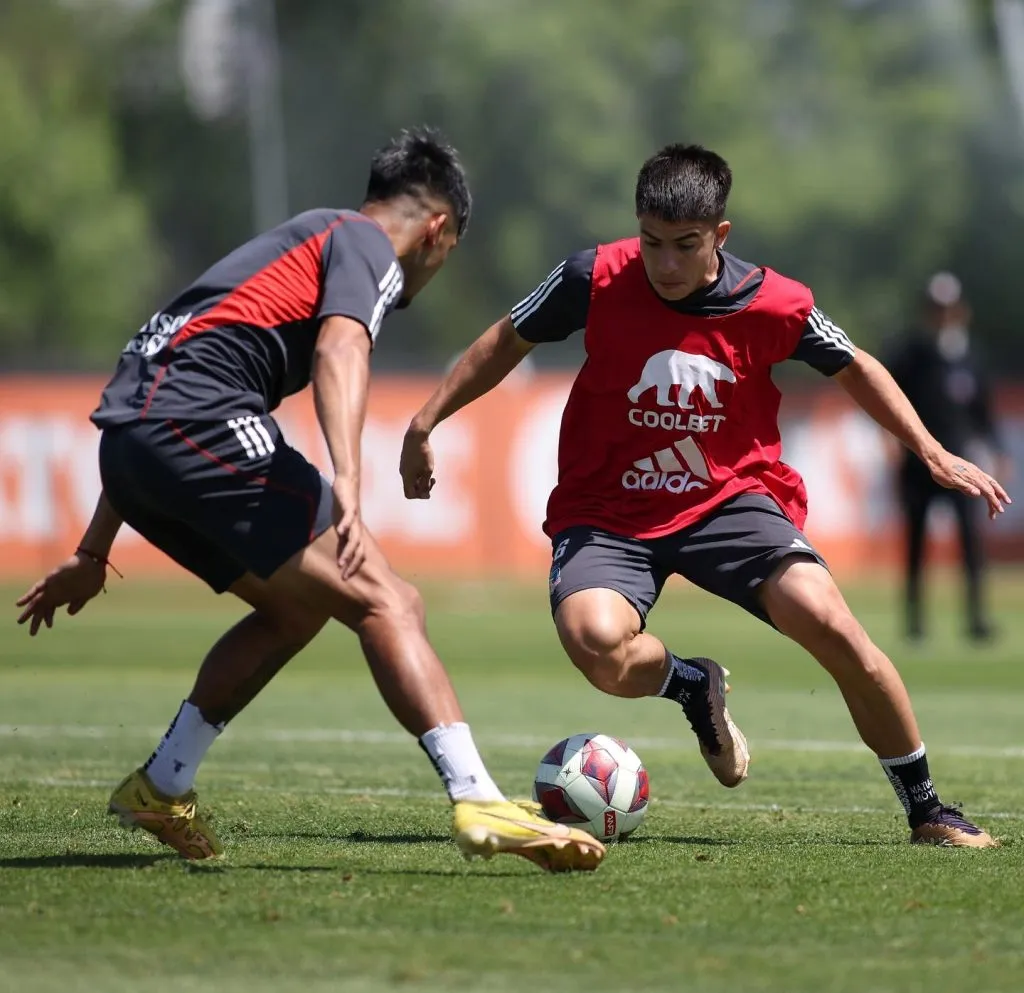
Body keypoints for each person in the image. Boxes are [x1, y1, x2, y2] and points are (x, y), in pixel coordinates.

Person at [14, 127, 604, 873]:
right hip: (200, 427)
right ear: (438, 229)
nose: (430, 275)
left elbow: (143, 404)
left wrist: (94, 549)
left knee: (298, 607)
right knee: (391, 601)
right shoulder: (364, 245)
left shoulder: (304, 241)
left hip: (134, 448)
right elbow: (339, 347)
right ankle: (477, 796)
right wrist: (349, 486)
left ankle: (162, 784)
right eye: (446, 255)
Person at [400, 143, 1011, 848]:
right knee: (596, 643)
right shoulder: (591, 277)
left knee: (833, 624)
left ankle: (928, 808)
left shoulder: (776, 302)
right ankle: (691, 684)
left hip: (730, 498)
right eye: (651, 242)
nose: (664, 264)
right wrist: (425, 421)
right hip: (609, 510)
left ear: (719, 236)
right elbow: (506, 339)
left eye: (684, 246)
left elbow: (855, 365)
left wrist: (931, 450)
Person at [885, 272, 1011, 642]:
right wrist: (891, 441)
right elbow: (888, 399)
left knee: (971, 540)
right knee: (916, 540)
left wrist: (998, 451)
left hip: (960, 462)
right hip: (918, 458)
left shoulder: (969, 356)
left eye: (948, 308)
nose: (942, 315)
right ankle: (915, 621)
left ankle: (976, 617)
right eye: (936, 308)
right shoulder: (909, 354)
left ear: (960, 311)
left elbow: (982, 413)